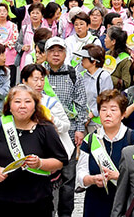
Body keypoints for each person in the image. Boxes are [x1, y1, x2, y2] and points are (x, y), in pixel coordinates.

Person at [0, 85, 69, 217]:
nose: (22, 106)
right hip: (1, 201)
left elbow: (60, 160)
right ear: (9, 105)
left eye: (28, 101)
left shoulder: (45, 128)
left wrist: (40, 163)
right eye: (17, 101)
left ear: (35, 105)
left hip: (37, 201)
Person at [77, 90, 134, 217]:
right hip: (95, 203)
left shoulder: (132, 138)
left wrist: (119, 176)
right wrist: (93, 179)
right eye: (103, 110)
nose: (108, 114)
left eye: (113, 110)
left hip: (124, 204)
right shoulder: (90, 140)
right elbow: (81, 174)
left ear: (123, 114)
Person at [44, 37, 86, 217]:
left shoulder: (73, 74)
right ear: (45, 54)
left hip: (67, 134)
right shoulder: (39, 74)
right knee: (43, 176)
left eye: (59, 50)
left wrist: (79, 129)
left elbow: (81, 103)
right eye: (52, 50)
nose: (55, 54)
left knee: (68, 179)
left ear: (65, 53)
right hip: (43, 134)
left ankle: (65, 214)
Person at [75, 44, 114, 132]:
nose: (82, 60)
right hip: (82, 121)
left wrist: (91, 114)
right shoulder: (82, 75)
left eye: (85, 58)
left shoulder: (104, 76)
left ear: (94, 61)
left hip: (97, 122)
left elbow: (106, 99)